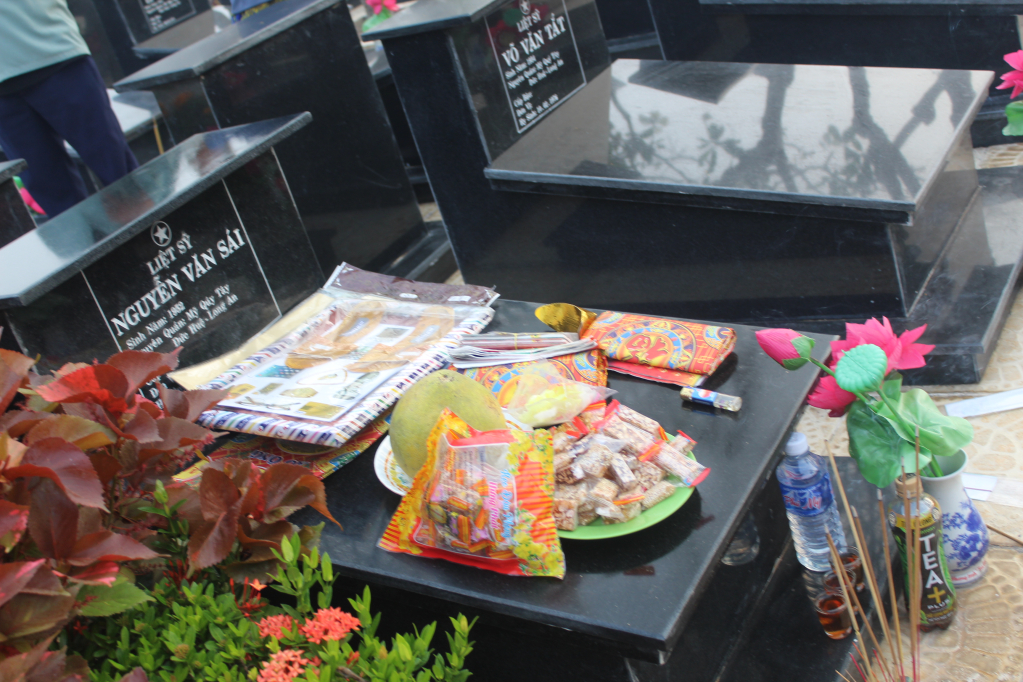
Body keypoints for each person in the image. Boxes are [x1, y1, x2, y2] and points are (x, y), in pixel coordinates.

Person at [0, 1, 138, 218]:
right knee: (54, 198)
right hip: (8, 90)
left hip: (55, 51)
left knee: (118, 173)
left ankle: (159, 237)